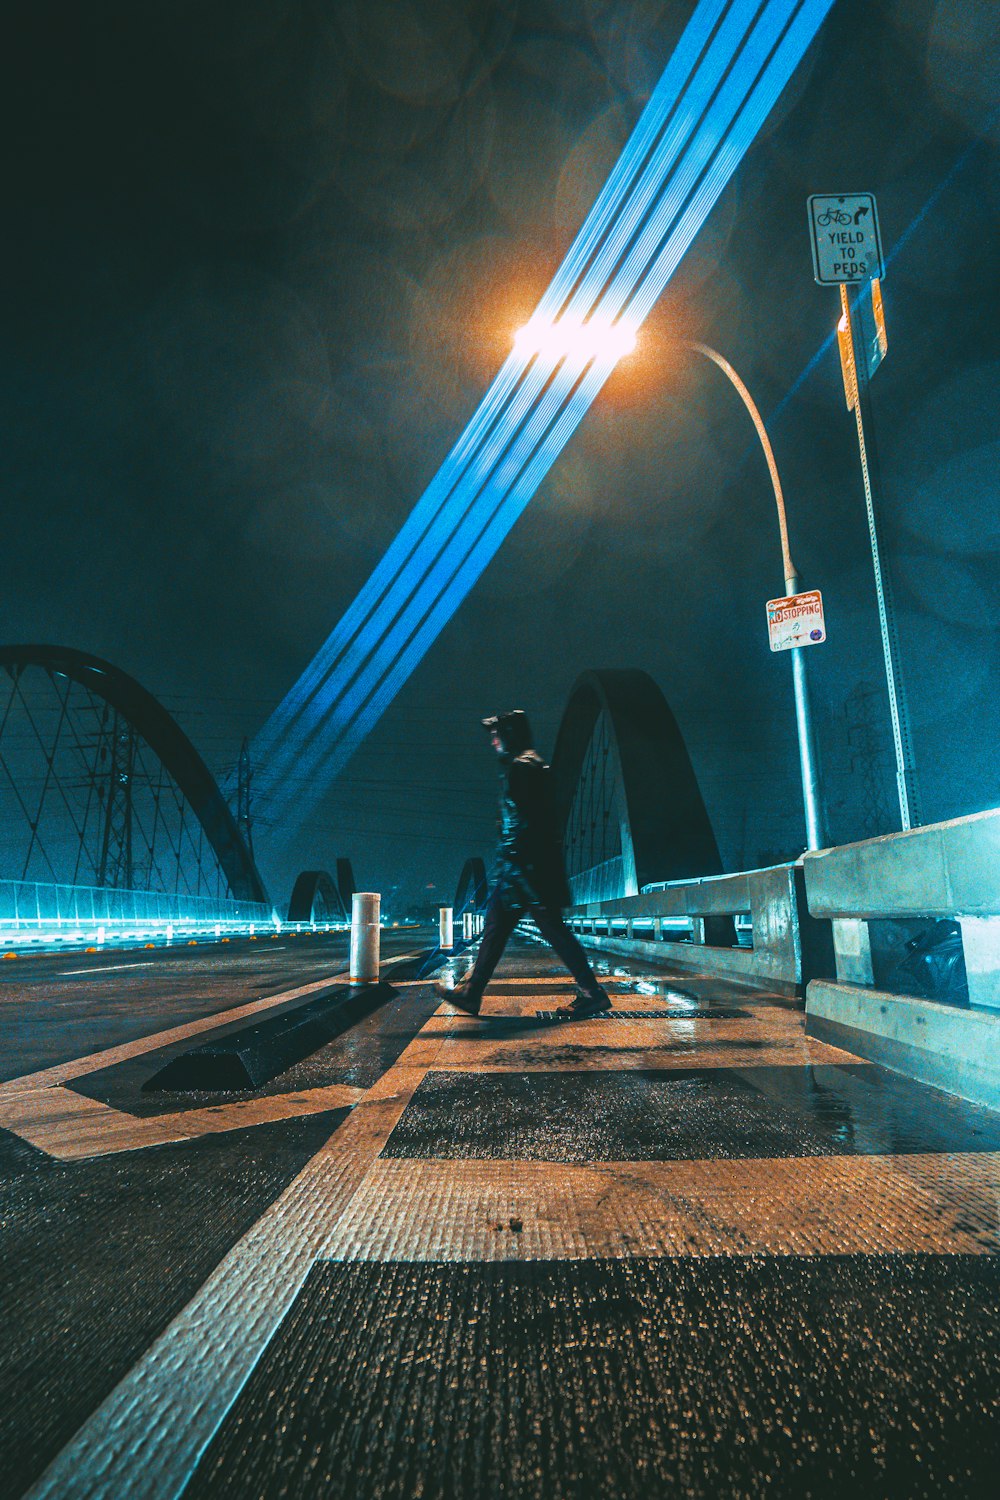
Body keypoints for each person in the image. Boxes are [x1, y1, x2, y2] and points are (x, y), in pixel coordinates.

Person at [436, 709, 612, 1019]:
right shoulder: (529, 766)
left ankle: (593, 993)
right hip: (525, 872)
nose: (493, 742)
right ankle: (473, 993)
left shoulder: (523, 768)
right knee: (496, 928)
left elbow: (525, 826)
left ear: (511, 736)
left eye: (497, 735)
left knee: (550, 932)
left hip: (526, 874)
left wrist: (514, 869)